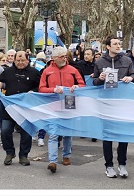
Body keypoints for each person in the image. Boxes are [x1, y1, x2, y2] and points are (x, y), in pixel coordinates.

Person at [92, 36, 134, 178]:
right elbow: (94, 82)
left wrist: (130, 78)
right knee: (108, 136)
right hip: (106, 103)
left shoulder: (127, 60)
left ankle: (122, 164)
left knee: (123, 135)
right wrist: (100, 79)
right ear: (108, 46)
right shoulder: (99, 61)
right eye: (115, 44)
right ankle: (109, 166)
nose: (118, 46)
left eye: (119, 43)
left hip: (123, 104)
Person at [38, 46, 85, 174]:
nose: (65, 58)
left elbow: (82, 86)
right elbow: (41, 89)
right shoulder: (47, 71)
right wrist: (53, 90)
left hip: (69, 105)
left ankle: (66, 155)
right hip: (52, 106)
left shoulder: (73, 70)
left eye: (65, 56)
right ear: (54, 58)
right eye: (62, 56)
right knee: (53, 134)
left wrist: (76, 87)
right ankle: (52, 161)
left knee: (67, 133)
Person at [0, 51, 41, 166]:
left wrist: (34, 91)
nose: (20, 63)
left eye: (23, 61)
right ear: (14, 60)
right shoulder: (7, 72)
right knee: (5, 131)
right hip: (9, 108)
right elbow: (0, 83)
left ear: (28, 60)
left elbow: (40, 87)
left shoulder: (34, 72)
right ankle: (9, 153)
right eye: (18, 61)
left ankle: (23, 156)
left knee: (26, 133)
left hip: (26, 109)